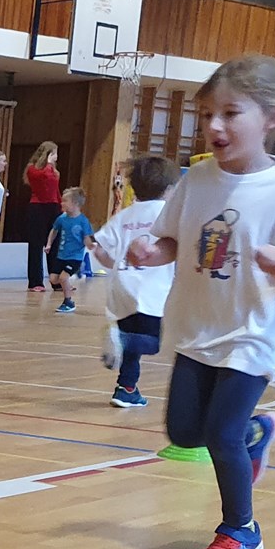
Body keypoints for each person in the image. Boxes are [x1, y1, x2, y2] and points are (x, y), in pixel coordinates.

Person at [127, 54, 275, 549]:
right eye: (207, 115)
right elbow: (173, 240)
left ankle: (240, 529)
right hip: (199, 326)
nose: (214, 126)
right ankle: (256, 434)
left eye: (231, 113)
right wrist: (151, 252)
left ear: (272, 118)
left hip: (255, 332)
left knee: (219, 433)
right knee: (185, 432)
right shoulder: (197, 180)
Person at [91, 155, 179, 408]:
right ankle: (122, 339)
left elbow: (101, 249)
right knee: (153, 342)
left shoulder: (125, 214)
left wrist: (108, 260)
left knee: (131, 345)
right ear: (169, 189)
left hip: (122, 287)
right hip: (152, 290)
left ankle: (126, 389)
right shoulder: (169, 214)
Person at [23, 141, 61, 292]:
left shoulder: (53, 170)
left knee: (55, 244)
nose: (57, 157)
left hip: (53, 208)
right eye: (55, 153)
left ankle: (56, 280)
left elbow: (55, 191)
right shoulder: (33, 169)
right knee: (36, 245)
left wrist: (62, 207)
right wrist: (49, 164)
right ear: (48, 154)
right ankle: (35, 282)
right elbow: (43, 177)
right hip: (37, 208)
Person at [47, 188, 93, 313]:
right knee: (53, 279)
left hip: (75, 257)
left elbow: (87, 237)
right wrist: (49, 244)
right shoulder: (62, 219)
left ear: (75, 204)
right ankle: (76, 274)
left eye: (65, 201)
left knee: (63, 278)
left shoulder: (83, 221)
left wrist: (90, 245)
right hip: (61, 255)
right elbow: (54, 230)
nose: (61, 203)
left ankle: (68, 302)